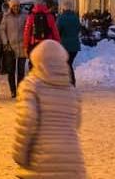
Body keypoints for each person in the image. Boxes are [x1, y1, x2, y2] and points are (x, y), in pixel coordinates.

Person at [13, 40, 87, 178]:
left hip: (40, 161)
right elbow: (76, 124)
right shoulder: (72, 91)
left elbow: (26, 121)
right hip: (72, 160)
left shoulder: (30, 86)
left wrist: (20, 155)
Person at [0, 1, 29, 98]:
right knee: (11, 70)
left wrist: (27, 42)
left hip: (22, 46)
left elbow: (28, 28)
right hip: (10, 47)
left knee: (21, 70)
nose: (16, 7)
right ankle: (13, 90)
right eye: (14, 6)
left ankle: (20, 90)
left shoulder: (25, 15)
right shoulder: (6, 16)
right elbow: (2, 29)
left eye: (17, 5)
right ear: (11, 7)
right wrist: (5, 42)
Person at [55, 2, 83, 85]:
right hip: (75, 45)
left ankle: (71, 82)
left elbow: (57, 31)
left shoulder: (61, 18)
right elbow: (78, 29)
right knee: (69, 63)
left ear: (63, 8)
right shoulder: (75, 17)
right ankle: (69, 81)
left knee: (67, 63)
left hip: (65, 45)